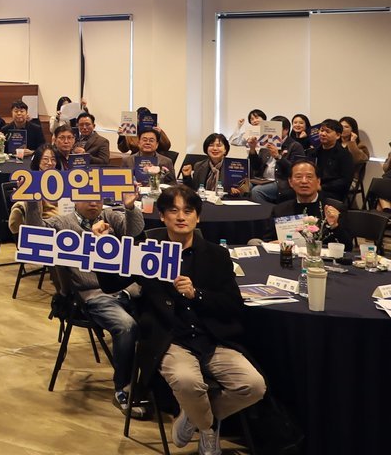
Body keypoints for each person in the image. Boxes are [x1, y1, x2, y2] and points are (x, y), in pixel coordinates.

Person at [98, 186, 266, 455]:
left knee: (254, 386)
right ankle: (208, 430)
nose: (180, 217)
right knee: (188, 382)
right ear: (162, 216)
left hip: (211, 339)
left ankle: (194, 416)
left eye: (188, 211)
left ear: (197, 217)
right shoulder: (148, 253)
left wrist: (196, 294)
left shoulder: (216, 255)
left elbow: (232, 305)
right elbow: (110, 284)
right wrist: (103, 247)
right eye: (173, 211)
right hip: (169, 340)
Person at [23, 175, 144, 416]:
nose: (93, 203)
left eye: (98, 198)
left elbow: (136, 233)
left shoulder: (110, 216)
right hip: (93, 295)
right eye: (87, 198)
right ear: (75, 199)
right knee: (127, 326)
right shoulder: (62, 222)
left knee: (159, 318)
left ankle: (152, 385)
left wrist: (130, 208)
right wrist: (33, 202)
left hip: (128, 290)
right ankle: (123, 388)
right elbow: (36, 235)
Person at [265, 161, 354, 249]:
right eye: (298, 177)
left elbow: (348, 247)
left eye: (309, 177)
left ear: (318, 182)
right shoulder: (280, 210)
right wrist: (272, 244)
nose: (304, 181)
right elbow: (267, 241)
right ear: (290, 182)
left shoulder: (335, 208)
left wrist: (335, 226)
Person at [247, 115, 306, 204]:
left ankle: (270, 211)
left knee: (256, 191)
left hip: (281, 182)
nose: (271, 132)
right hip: (262, 180)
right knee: (245, 187)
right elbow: (256, 167)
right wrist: (252, 149)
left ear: (286, 130)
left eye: (275, 129)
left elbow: (296, 170)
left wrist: (278, 157)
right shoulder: (266, 143)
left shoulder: (294, 146)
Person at [181, 133, 248, 195]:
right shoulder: (199, 166)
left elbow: (243, 190)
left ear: (225, 150)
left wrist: (236, 191)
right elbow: (193, 191)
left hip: (226, 201)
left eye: (219, 146)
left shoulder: (233, 167)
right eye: (211, 145)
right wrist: (187, 177)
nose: (215, 148)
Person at [312, 119, 354, 203]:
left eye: (327, 131)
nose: (323, 134)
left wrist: (321, 187)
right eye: (321, 130)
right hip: (313, 188)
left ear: (338, 135)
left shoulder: (344, 155)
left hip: (332, 192)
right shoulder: (314, 152)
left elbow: (345, 181)